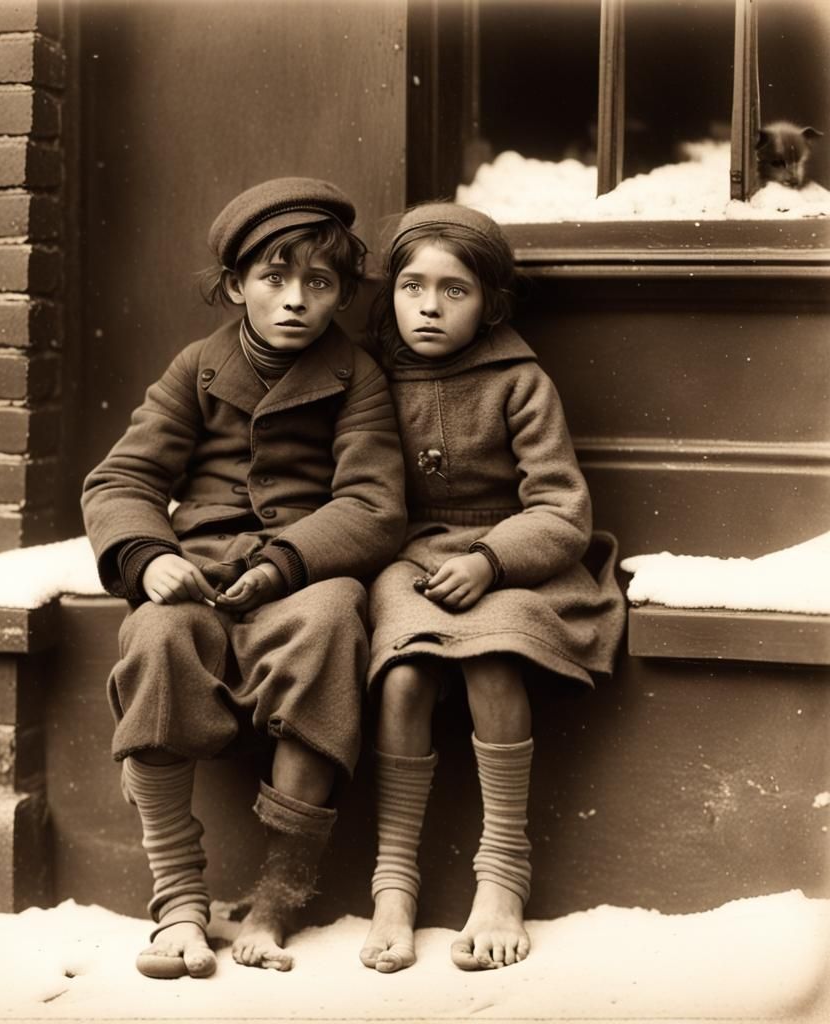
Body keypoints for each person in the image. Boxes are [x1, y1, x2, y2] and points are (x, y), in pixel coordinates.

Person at [82, 177, 406, 979]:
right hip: (198, 574)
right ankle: (179, 904)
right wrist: (151, 557)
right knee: (156, 637)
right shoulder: (197, 368)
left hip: (303, 575)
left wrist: (285, 561)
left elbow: (373, 503)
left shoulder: (355, 375)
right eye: (273, 278)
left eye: (319, 283)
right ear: (235, 287)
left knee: (332, 624)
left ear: (340, 294)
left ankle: (277, 898)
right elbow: (119, 482)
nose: (295, 300)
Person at [357, 202, 624, 975]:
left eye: (454, 290)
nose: (429, 308)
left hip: (516, 559)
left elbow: (562, 510)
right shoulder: (369, 376)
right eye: (411, 287)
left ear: (491, 303)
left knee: (492, 658)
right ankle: (394, 880)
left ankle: (503, 868)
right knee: (403, 674)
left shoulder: (520, 380)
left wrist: (490, 560)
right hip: (406, 557)